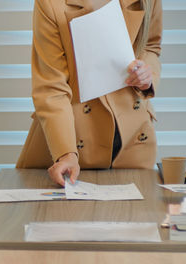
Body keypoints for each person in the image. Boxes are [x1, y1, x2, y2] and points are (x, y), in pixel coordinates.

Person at [16, 0, 163, 186]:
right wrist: (66, 153)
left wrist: (147, 74)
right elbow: (52, 87)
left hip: (132, 142)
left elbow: (150, 46)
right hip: (71, 141)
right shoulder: (50, 4)